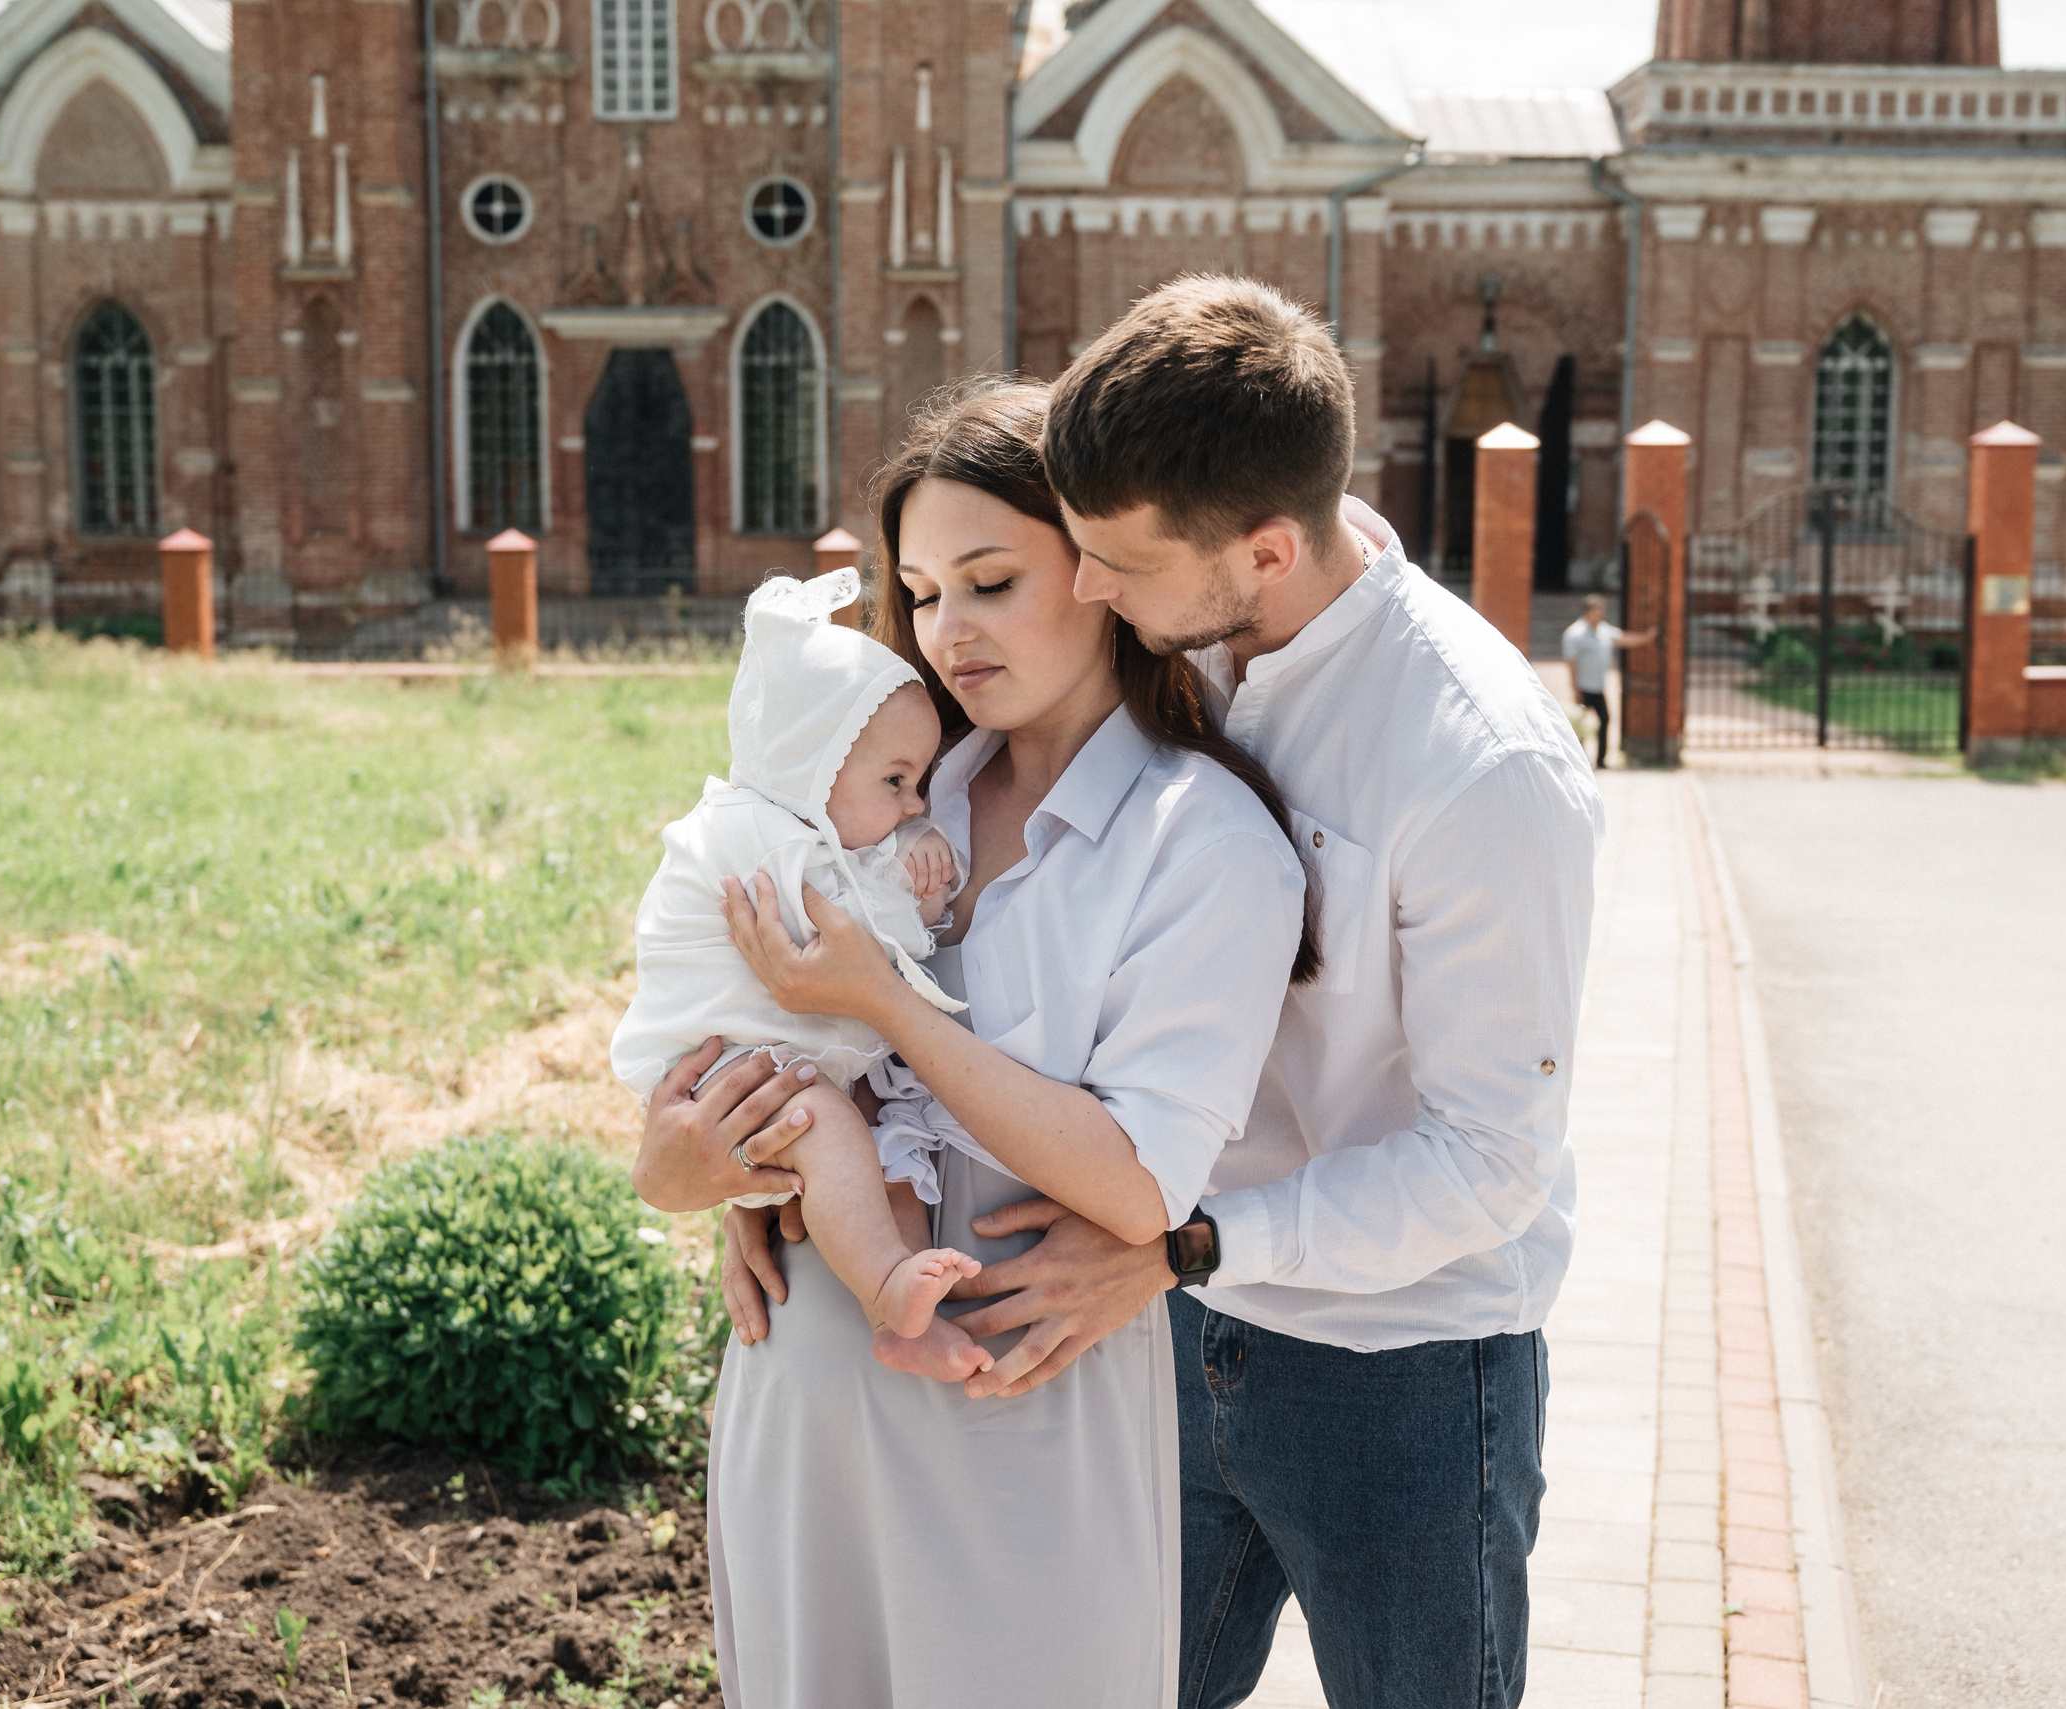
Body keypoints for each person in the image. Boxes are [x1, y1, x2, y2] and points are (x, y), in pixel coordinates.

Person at [630, 380, 1313, 1709]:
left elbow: (1136, 1186)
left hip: (1019, 1417)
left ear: (1102, 567)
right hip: (805, 1399)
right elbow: (716, 1075)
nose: (949, 630)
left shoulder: (1205, 842)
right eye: (922, 591)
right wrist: (698, 1171)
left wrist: (889, 1006)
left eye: (992, 581)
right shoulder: (877, 790)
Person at [1026, 273, 1604, 1708]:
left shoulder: (1482, 764)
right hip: (1170, 1327)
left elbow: (1491, 1159)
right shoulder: (1183, 641)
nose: (1085, 590)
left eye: (1117, 561)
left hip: (1405, 1378)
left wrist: (1192, 1246)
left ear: (1268, 550)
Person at [608, 567, 989, 1382]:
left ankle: (904, 1299)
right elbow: (854, 937)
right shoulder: (763, 837)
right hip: (733, 1077)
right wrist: (921, 889)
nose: (915, 805)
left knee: (885, 1137)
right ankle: (887, 1292)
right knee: (834, 1128)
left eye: (919, 784)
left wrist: (905, 854)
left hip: (773, 1061)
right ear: (813, 766)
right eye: (896, 782)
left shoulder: (796, 829)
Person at [1560, 592, 1657, 769]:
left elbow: (1623, 639)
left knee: (1604, 720)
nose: (1600, 614)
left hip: (1598, 686)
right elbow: (1571, 662)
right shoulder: (1575, 633)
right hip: (1583, 686)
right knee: (1580, 725)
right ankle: (1579, 762)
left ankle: (1600, 760)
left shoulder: (1604, 630)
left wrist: (1647, 638)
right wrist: (1575, 687)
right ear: (1587, 612)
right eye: (1597, 611)